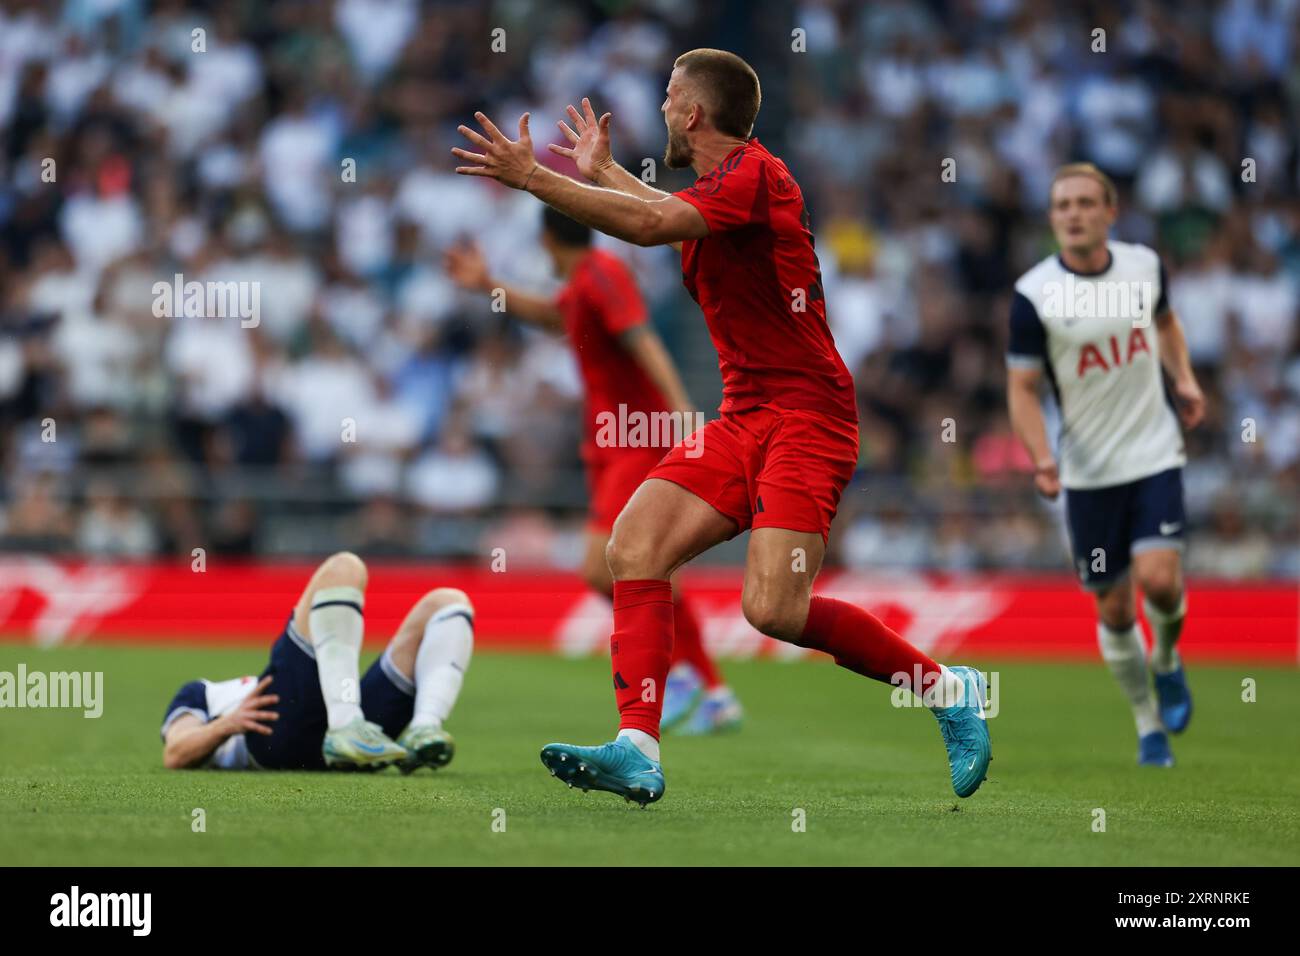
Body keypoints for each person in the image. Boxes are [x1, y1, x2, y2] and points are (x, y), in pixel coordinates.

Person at [452, 48, 990, 806]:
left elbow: (648, 224)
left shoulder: (757, 175)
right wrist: (601, 170)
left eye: (669, 95)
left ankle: (943, 688)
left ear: (693, 112)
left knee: (774, 610)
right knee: (632, 547)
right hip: (745, 414)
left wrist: (535, 177)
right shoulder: (722, 191)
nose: (662, 107)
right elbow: (661, 216)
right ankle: (638, 746)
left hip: (808, 416)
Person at [444, 206, 742, 733]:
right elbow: (555, 315)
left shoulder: (603, 275)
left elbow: (642, 337)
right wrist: (489, 284)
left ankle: (680, 674)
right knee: (650, 571)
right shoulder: (585, 283)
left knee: (601, 567)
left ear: (548, 241)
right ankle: (711, 689)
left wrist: (682, 412)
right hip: (610, 447)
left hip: (636, 438)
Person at [1006, 162, 1203, 767]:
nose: (1074, 214)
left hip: (1152, 452)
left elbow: (1166, 323)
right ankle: (1147, 724)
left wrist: (1185, 379)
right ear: (1052, 218)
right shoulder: (1034, 294)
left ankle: (1166, 659)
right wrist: (1042, 457)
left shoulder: (1144, 267)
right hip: (1088, 473)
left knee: (1161, 581)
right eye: (1063, 204)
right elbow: (1022, 388)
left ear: (1110, 212)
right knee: (1115, 607)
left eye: (1087, 203)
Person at [161, 551, 473, 771]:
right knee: (343, 567)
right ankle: (345, 726)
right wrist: (226, 725)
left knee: (449, 602)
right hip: (275, 737)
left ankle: (423, 730)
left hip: (356, 740)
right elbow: (174, 753)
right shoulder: (197, 693)